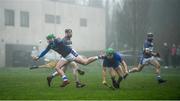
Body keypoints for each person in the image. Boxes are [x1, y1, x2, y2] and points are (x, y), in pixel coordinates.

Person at [33, 33, 99, 87]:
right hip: (65, 57)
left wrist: (57, 39)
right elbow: (44, 52)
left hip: (71, 54)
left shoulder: (57, 40)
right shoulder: (50, 45)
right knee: (57, 68)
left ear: (53, 38)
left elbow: (60, 41)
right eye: (48, 39)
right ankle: (66, 80)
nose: (49, 40)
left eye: (50, 38)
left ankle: (98, 57)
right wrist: (38, 57)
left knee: (85, 62)